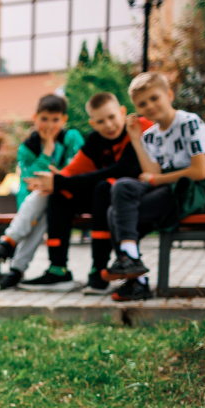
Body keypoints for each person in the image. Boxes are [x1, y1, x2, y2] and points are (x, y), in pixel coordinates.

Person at [25, 93, 154, 293]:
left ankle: (99, 272)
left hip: (136, 197)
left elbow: (122, 170)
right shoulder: (95, 140)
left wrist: (60, 180)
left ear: (122, 112)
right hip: (105, 198)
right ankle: (58, 270)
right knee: (59, 192)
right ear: (93, 124)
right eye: (101, 121)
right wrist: (51, 181)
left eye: (112, 117)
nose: (108, 125)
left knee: (103, 187)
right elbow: (74, 169)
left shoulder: (138, 128)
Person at [108, 72, 205, 302]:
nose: (150, 106)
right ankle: (132, 262)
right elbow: (151, 172)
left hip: (194, 190)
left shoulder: (188, 122)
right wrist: (135, 139)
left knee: (116, 214)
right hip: (167, 190)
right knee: (121, 189)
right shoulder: (150, 135)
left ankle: (135, 279)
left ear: (169, 95)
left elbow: (199, 171)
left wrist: (157, 180)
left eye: (154, 98)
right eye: (142, 103)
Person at [0, 95, 84, 290]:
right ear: (35, 118)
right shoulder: (27, 147)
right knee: (39, 217)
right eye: (44, 119)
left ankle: (9, 244)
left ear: (64, 120)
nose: (49, 125)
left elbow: (78, 168)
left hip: (70, 198)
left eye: (55, 119)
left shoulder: (72, 138)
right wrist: (48, 151)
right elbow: (30, 179)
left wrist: (55, 178)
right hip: (34, 203)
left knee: (45, 199)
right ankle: (16, 268)